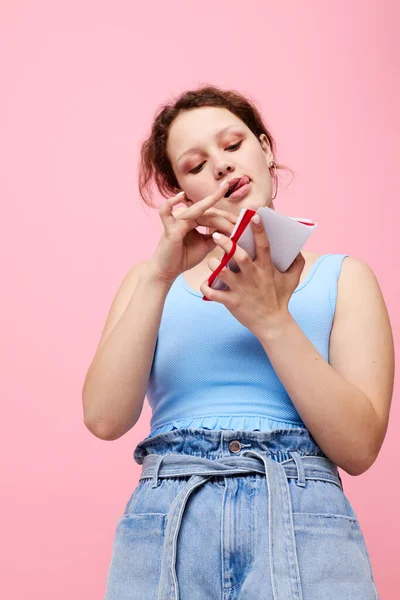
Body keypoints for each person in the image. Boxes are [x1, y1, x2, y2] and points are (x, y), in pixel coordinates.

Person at [82, 85, 394, 599]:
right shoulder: (150, 282)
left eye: (233, 144)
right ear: (178, 190)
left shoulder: (345, 278)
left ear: (266, 149)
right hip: (171, 514)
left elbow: (358, 448)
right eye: (195, 164)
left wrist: (271, 319)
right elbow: (104, 419)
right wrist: (160, 277)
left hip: (300, 511)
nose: (223, 167)